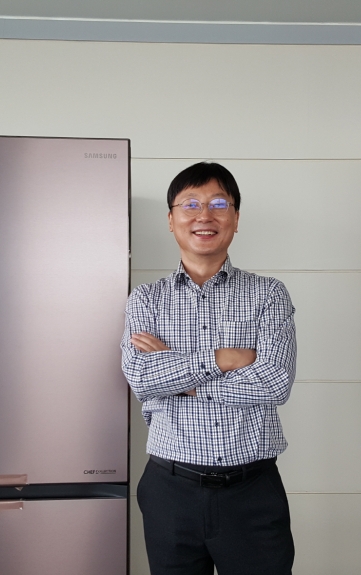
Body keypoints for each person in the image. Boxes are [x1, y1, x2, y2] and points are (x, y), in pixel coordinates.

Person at [121, 162, 297, 575]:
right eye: (191, 204)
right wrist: (223, 359)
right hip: (169, 492)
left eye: (219, 204)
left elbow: (275, 382)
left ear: (236, 217)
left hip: (252, 493)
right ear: (171, 220)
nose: (205, 215)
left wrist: (181, 379)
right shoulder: (146, 299)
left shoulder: (268, 294)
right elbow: (141, 377)